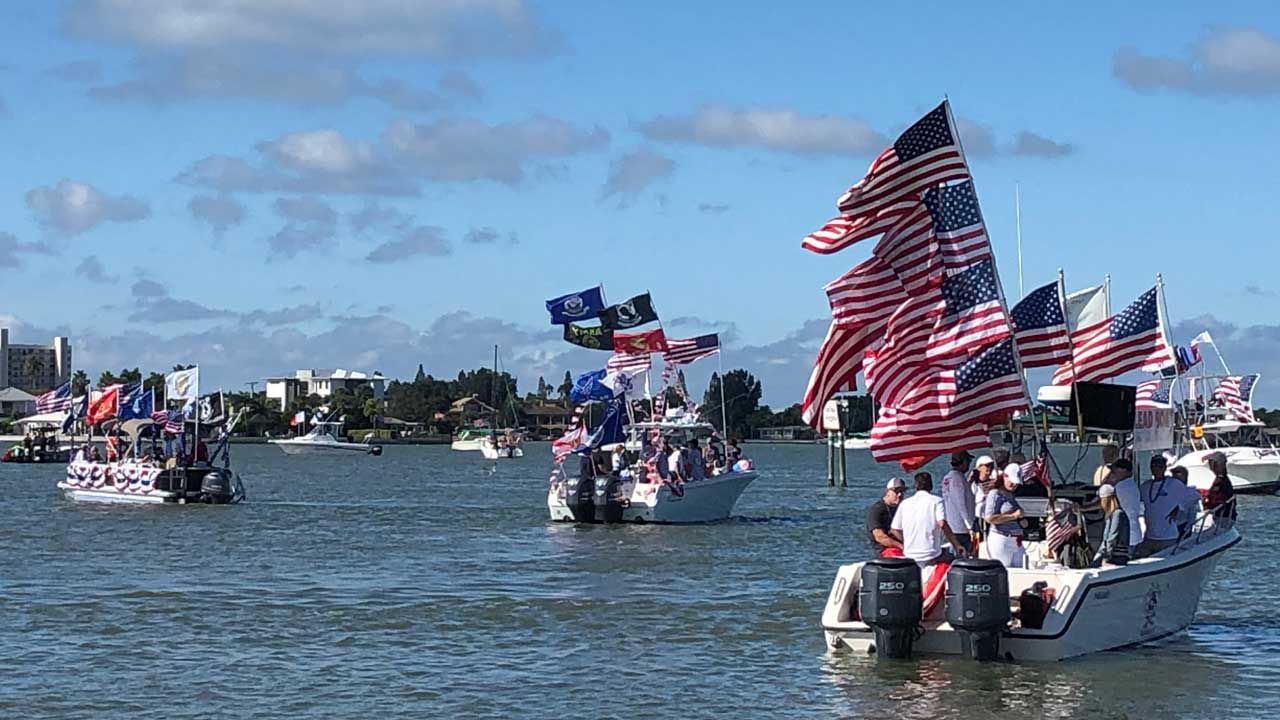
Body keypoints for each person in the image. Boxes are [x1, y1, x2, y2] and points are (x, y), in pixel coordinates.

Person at [891, 472, 966, 568]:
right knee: (954, 556)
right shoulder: (937, 501)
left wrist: (907, 541)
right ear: (930, 486)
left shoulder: (905, 503)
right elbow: (942, 524)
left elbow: (894, 529)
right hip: (932, 555)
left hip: (910, 554)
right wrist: (957, 545)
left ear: (915, 486)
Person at [1136, 455, 1201, 558]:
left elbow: (1195, 494)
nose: (1156, 469)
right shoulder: (1145, 486)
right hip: (1149, 536)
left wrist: (1179, 506)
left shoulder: (1174, 484)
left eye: (1160, 466)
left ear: (1164, 468)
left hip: (1168, 537)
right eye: (1154, 466)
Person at [983, 464, 1026, 568]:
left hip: (1015, 540)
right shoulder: (995, 494)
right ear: (1005, 476)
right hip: (1002, 539)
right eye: (1011, 481)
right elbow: (989, 518)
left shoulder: (1010, 495)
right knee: (1004, 570)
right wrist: (1013, 516)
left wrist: (1021, 520)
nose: (1013, 485)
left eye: (1016, 483)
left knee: (1021, 568)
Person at [1105, 458, 1143, 553]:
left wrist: (1083, 508)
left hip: (1125, 536)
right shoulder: (1131, 484)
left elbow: (1106, 501)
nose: (1112, 473)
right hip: (1134, 534)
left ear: (1125, 471)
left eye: (1115, 470)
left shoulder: (1121, 486)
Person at [941, 450, 976, 551]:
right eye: (968, 461)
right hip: (961, 529)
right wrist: (969, 526)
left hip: (952, 526)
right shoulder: (958, 479)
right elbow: (961, 503)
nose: (969, 464)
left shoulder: (947, 477)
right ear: (964, 462)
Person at [866, 478, 907, 557]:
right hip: (885, 550)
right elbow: (880, 537)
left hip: (902, 547)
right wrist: (903, 547)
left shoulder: (902, 509)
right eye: (896, 491)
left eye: (902, 491)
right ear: (887, 492)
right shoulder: (877, 510)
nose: (900, 494)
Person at [1093, 484, 1130, 566]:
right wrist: (1098, 555)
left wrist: (1106, 558)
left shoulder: (1118, 514)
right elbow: (1105, 540)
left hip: (1118, 556)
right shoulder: (1111, 515)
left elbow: (1112, 538)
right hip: (1110, 555)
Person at [970, 455, 997, 543]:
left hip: (991, 516)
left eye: (991, 465)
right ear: (979, 467)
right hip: (978, 516)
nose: (989, 468)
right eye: (987, 465)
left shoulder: (994, 483)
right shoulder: (973, 484)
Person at [1202, 451, 1237, 521]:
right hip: (1228, 515)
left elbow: (1213, 501)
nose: (1210, 466)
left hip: (1221, 517)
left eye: (1211, 463)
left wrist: (1204, 502)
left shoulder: (1219, 481)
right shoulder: (1224, 479)